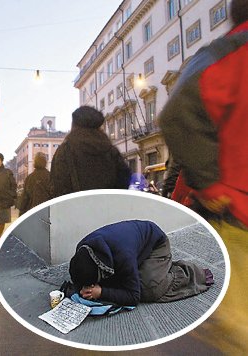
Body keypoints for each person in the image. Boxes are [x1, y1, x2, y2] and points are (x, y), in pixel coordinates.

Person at [158, 1, 248, 352]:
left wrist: (208, 183)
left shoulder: (228, 51)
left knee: (240, 324)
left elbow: (178, 114)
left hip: (237, 208)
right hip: (237, 209)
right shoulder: (234, 51)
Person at [68, 220, 212, 306]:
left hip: (156, 244)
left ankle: (180, 270)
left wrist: (101, 292)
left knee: (149, 289)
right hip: (132, 249)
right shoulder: (83, 249)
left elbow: (133, 297)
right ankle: (156, 268)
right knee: (120, 281)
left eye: (91, 283)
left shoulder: (123, 255)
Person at [50, 106, 131, 198]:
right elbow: (124, 178)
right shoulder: (110, 150)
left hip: (76, 208)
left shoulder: (65, 150)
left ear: (74, 124)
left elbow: (57, 186)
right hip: (106, 208)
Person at [19, 152, 51, 216]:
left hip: (32, 209)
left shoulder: (30, 178)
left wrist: (21, 213)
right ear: (45, 162)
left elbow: (25, 197)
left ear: (35, 162)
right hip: (48, 209)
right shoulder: (51, 176)